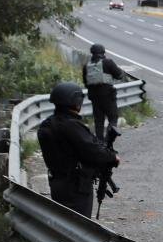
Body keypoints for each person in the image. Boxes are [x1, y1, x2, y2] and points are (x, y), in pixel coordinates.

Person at [36, 82, 120, 217]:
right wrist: (112, 157)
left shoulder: (47, 124)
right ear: (76, 102)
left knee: (63, 220)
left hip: (57, 182)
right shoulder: (71, 125)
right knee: (79, 222)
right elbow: (93, 151)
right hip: (75, 186)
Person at [82, 43, 126, 139]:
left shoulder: (86, 66)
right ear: (103, 52)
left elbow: (85, 83)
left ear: (92, 53)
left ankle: (100, 143)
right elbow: (119, 75)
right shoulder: (108, 62)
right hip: (108, 96)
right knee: (113, 119)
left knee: (98, 121)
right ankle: (108, 141)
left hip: (94, 97)